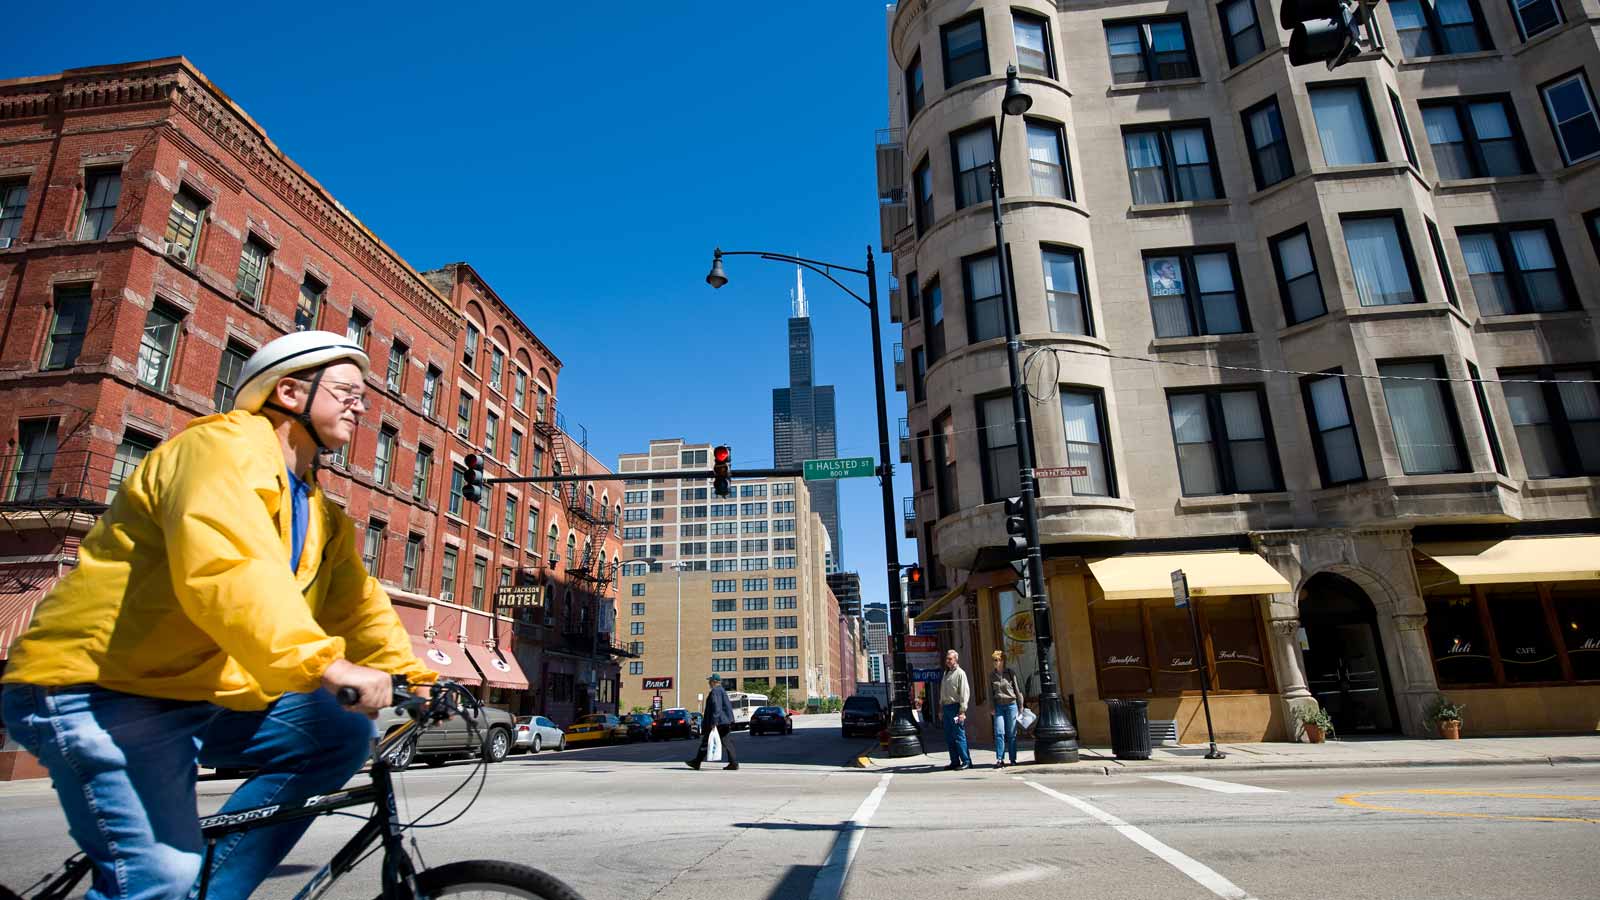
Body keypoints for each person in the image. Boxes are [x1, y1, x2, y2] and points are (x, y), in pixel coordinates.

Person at [1, 331, 438, 900]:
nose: (362, 406)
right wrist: (326, 667)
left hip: (190, 692)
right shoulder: (220, 451)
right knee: (160, 878)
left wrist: (421, 679)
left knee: (334, 730)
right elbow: (230, 569)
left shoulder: (318, 508)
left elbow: (357, 607)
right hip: (93, 686)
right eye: (347, 391)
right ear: (288, 392)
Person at [687, 674, 738, 770]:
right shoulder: (722, 690)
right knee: (726, 742)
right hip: (725, 721)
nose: (708, 683)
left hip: (718, 722)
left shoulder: (716, 691)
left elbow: (717, 707)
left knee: (706, 741)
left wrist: (714, 722)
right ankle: (733, 763)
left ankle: (697, 762)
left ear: (714, 681)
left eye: (710, 681)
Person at [990, 650, 1024, 768]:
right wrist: (991, 707)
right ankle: (1000, 759)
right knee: (999, 732)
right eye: (994, 660)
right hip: (999, 706)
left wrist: (1021, 706)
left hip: (1011, 705)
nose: (995, 662)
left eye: (997, 660)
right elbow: (990, 693)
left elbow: (1017, 690)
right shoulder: (992, 676)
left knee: (1011, 733)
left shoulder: (1010, 673)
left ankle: (1013, 759)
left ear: (1002, 661)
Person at [939, 649, 972, 770]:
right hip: (946, 708)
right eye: (947, 659)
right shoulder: (946, 674)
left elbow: (964, 693)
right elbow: (942, 693)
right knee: (949, 736)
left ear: (955, 659)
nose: (947, 661)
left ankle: (966, 761)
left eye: (950, 659)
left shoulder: (960, 673)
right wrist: (941, 709)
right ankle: (954, 761)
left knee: (959, 735)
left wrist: (962, 711)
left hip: (956, 707)